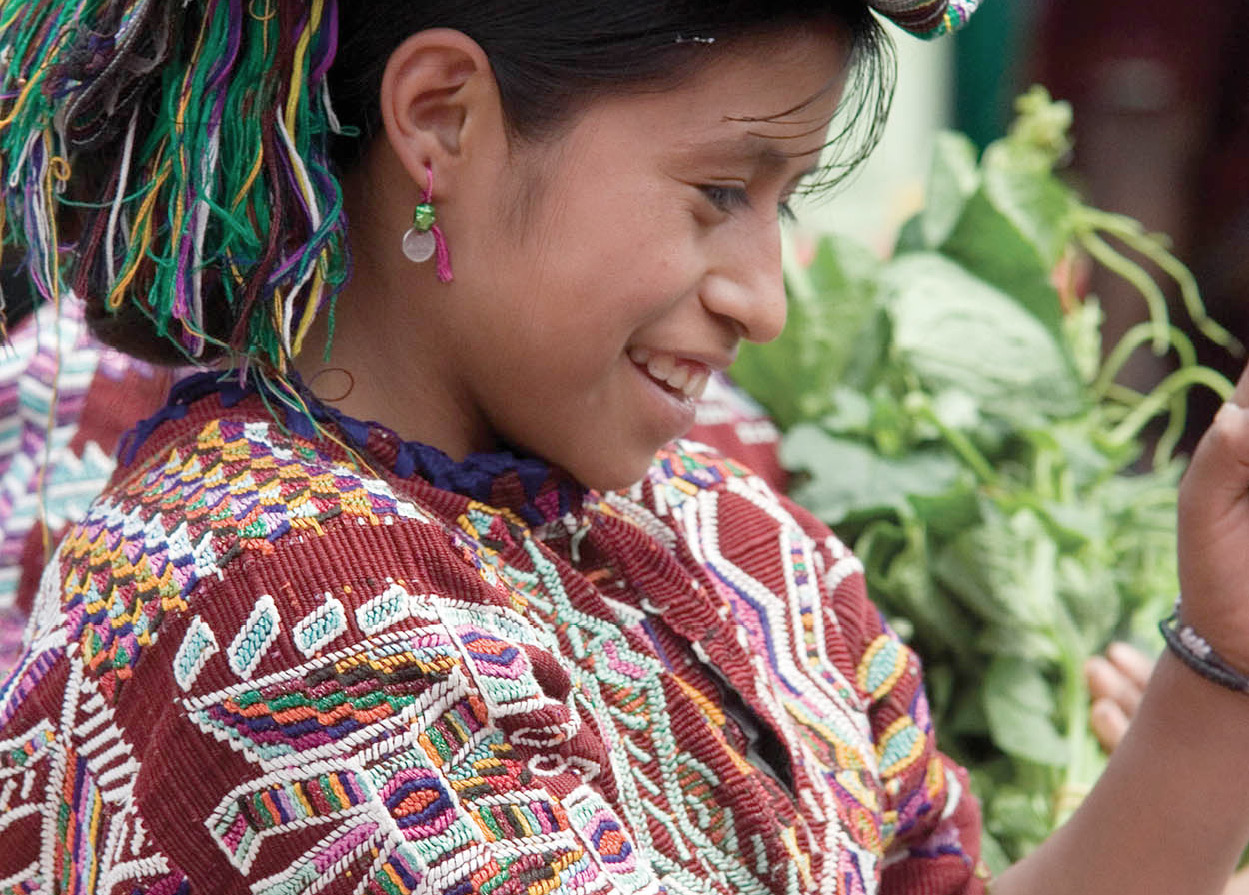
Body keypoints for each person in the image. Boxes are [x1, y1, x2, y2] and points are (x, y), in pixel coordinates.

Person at [0, 3, 1247, 895]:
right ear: (441, 119)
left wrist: (1219, 664)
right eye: (719, 190)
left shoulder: (740, 547)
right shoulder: (270, 615)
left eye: (786, 201)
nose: (763, 294)